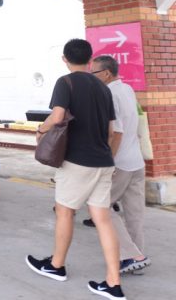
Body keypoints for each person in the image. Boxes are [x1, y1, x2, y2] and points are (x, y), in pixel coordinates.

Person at [26, 39, 124, 299]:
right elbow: (110, 131)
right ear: (90, 59)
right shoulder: (103, 88)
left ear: (64, 59)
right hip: (103, 161)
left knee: (65, 212)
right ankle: (113, 283)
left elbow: (57, 116)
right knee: (103, 220)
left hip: (77, 161)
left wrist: (41, 130)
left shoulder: (65, 82)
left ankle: (56, 266)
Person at [91, 55, 150, 274]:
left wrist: (109, 162)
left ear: (106, 73)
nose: (91, 77)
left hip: (120, 162)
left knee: (100, 206)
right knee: (135, 213)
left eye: (94, 73)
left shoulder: (109, 94)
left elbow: (116, 133)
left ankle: (132, 255)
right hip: (136, 161)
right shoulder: (127, 89)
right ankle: (136, 259)